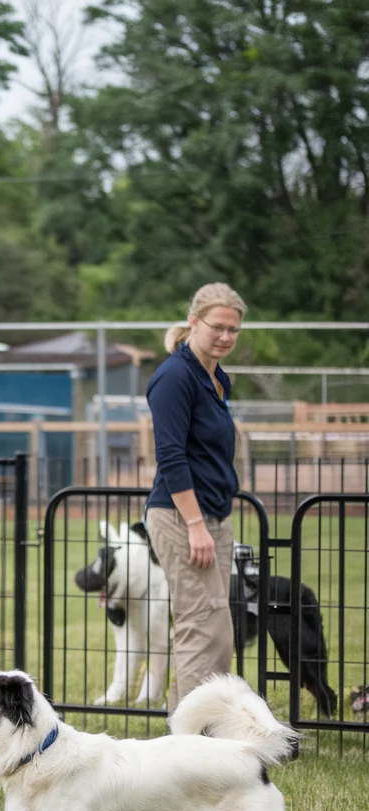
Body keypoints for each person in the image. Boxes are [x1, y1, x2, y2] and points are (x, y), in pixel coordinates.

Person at [144, 282, 246, 712]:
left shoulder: (214, 377)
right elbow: (170, 455)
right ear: (193, 322)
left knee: (213, 629)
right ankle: (192, 742)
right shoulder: (173, 377)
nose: (225, 336)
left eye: (233, 330)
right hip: (181, 516)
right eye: (217, 327)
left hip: (212, 518)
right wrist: (196, 525)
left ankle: (185, 727)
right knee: (202, 628)